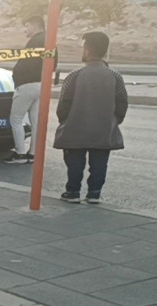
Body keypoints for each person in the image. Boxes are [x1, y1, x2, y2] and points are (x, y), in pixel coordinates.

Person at [54, 32, 127, 204]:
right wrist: (114, 120)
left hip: (75, 127)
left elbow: (63, 104)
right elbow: (122, 102)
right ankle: (94, 193)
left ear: (87, 49)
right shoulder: (115, 76)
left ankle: (72, 192)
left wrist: (65, 120)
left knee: (74, 162)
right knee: (100, 163)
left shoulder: (74, 75)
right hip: (103, 128)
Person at [5, 16, 50, 164]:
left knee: (16, 119)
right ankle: (33, 154)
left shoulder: (35, 41)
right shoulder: (49, 40)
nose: (25, 29)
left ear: (35, 25)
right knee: (35, 121)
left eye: (27, 25)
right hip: (41, 84)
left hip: (27, 84)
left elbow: (26, 63)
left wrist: (17, 76)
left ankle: (20, 154)